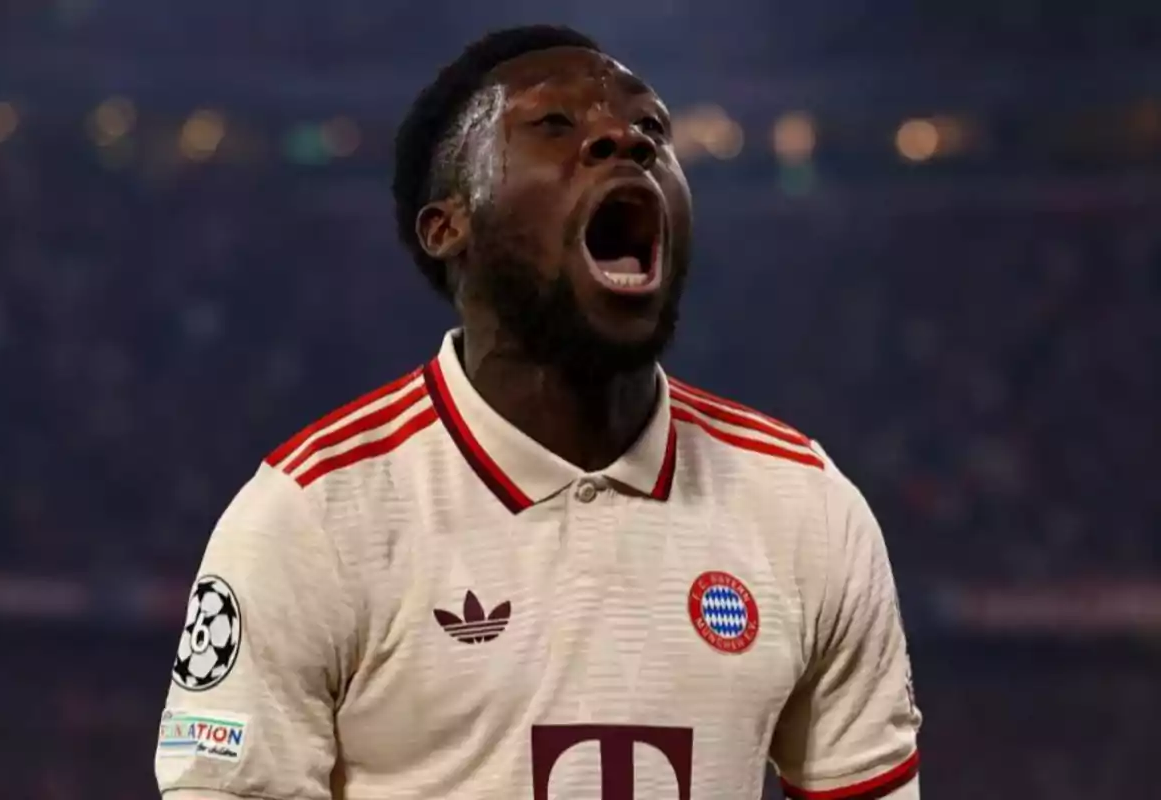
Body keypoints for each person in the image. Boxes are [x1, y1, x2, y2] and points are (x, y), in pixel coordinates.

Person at [155, 24, 922, 800]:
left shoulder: (806, 506)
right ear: (447, 225)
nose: (624, 139)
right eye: (556, 124)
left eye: (652, 128)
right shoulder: (312, 517)